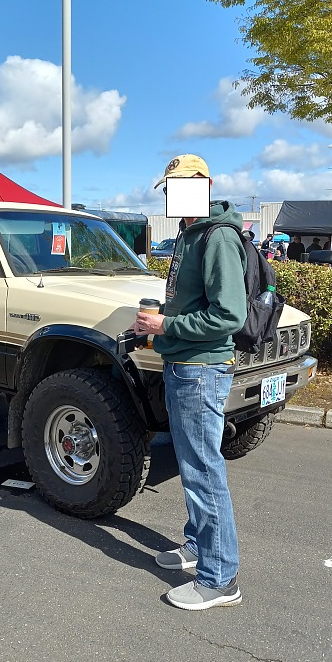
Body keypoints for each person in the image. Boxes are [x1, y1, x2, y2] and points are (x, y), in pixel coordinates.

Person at [134, 153, 246, 610]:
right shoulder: (187, 232)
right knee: (194, 464)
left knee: (203, 470)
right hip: (185, 365)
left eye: (184, 185)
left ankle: (220, 578)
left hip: (201, 368)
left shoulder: (217, 237)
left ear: (206, 184)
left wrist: (166, 327)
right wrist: (162, 322)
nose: (175, 196)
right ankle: (199, 545)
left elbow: (228, 315)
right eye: (171, 187)